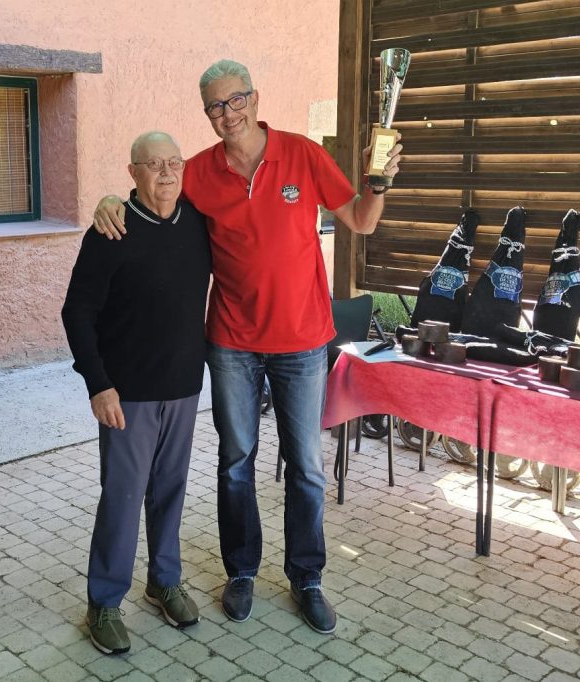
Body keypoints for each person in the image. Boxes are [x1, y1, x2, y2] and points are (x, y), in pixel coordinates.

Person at [92, 60, 401, 635]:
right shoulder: (199, 172)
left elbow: (361, 221)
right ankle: (241, 571)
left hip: (303, 342)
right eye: (214, 106)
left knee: (306, 466)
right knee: (235, 463)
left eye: (235, 100)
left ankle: (307, 578)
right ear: (207, 114)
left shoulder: (302, 154)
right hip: (231, 342)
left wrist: (378, 183)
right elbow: (152, 191)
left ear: (255, 99)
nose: (226, 114)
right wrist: (111, 199)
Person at [62, 131, 211, 654]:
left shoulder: (198, 223)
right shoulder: (112, 229)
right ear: (133, 173)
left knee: (170, 492)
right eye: (153, 165)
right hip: (128, 395)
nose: (166, 173)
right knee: (123, 499)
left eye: (174, 163)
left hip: (184, 387)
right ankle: (104, 602)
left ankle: (164, 582)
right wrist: (98, 385)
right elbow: (76, 312)